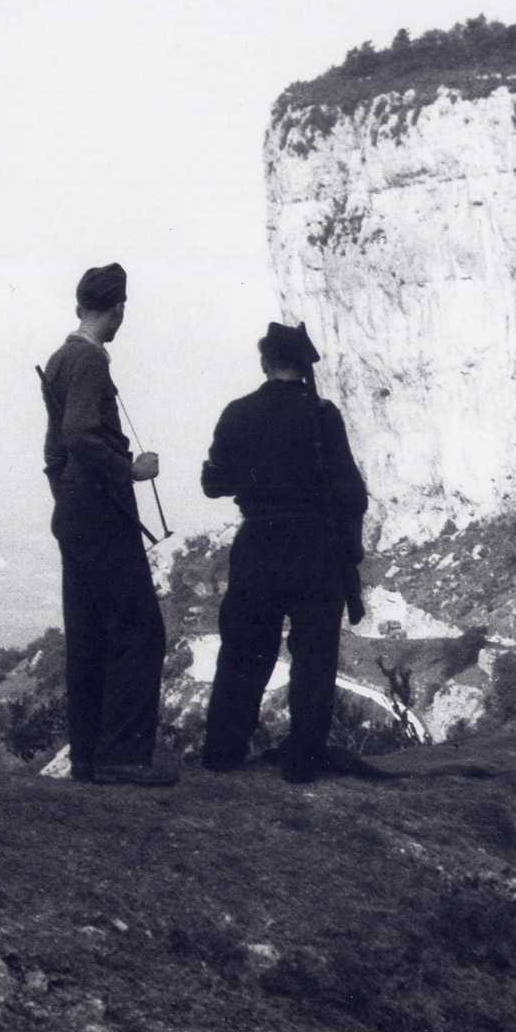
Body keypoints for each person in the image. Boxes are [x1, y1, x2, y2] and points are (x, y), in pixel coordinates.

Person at [199, 321, 367, 784]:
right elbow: (351, 492)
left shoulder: (237, 413)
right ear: (303, 367)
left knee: (244, 653)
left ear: (265, 363)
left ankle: (223, 753)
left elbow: (215, 483)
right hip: (315, 547)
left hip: (258, 544)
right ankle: (303, 760)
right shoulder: (323, 416)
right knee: (314, 656)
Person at [38, 262, 173, 786]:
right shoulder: (91, 362)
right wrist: (130, 471)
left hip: (73, 514)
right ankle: (123, 756)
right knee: (140, 631)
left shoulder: (58, 359)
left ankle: (89, 757)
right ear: (117, 310)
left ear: (79, 307)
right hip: (101, 515)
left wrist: (65, 497)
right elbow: (77, 435)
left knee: (88, 635)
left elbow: (54, 451)